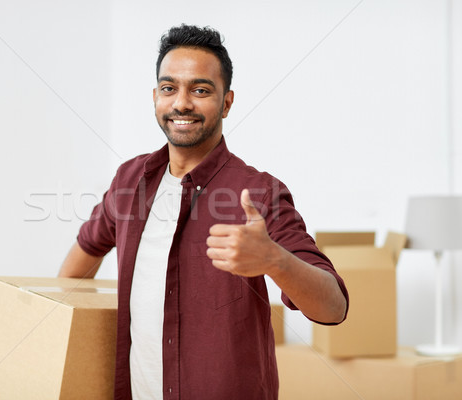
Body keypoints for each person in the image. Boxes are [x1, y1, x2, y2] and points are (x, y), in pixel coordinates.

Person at [58, 24, 348, 400]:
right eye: (169, 88)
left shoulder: (259, 192)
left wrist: (275, 260)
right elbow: (85, 252)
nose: (182, 103)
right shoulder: (130, 179)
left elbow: (333, 307)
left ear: (226, 102)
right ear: (155, 97)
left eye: (200, 89)